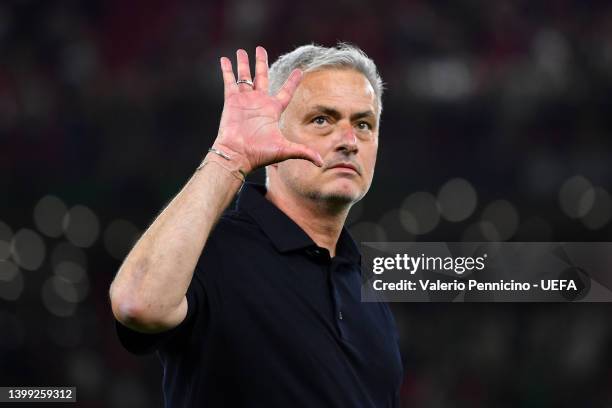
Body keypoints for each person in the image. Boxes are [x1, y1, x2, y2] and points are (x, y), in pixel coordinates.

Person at [109, 43, 403, 407]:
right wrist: (230, 158)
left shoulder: (364, 286)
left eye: (363, 124)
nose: (348, 141)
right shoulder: (209, 250)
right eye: (321, 120)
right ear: (269, 133)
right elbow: (137, 303)